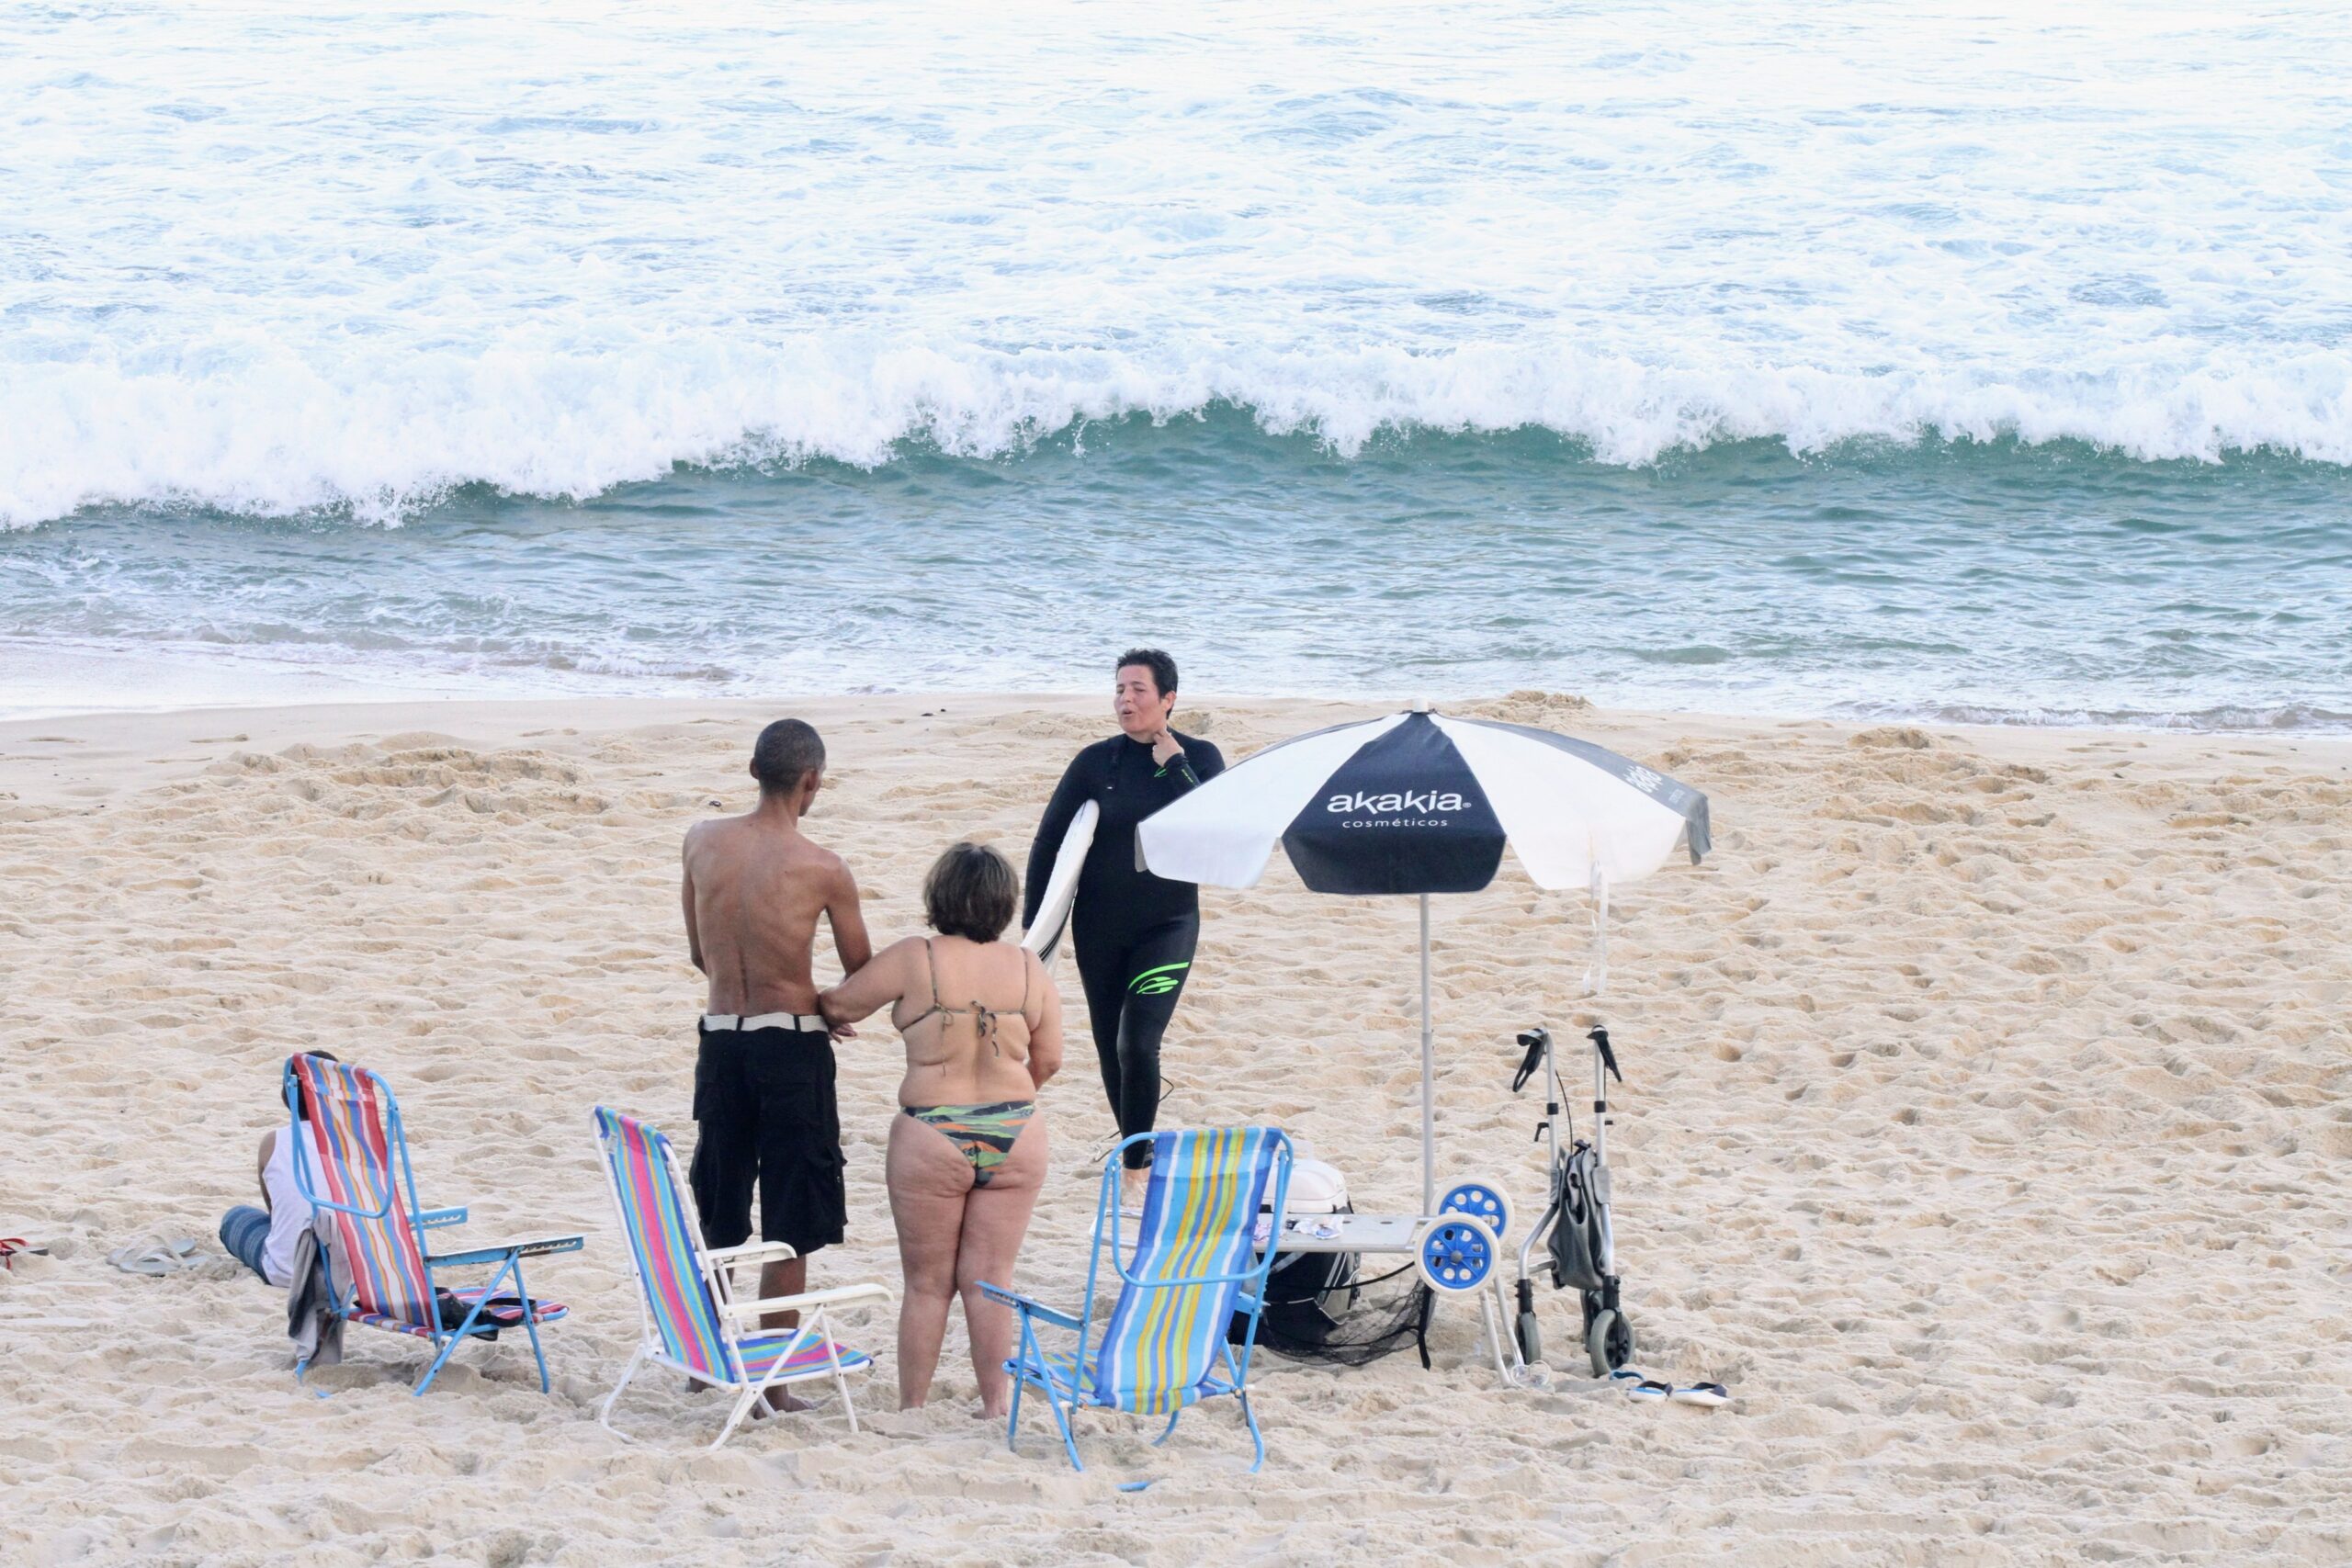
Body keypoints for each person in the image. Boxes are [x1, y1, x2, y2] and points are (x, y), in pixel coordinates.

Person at [820, 841, 1061, 1416]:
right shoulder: (1029, 966)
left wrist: (828, 1014)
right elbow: (1049, 1059)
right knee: (991, 1279)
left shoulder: (915, 957)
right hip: (1017, 1130)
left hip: (932, 1130)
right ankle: (995, 1406)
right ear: (1005, 903)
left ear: (939, 896)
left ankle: (914, 1407)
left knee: (928, 1284)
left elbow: (842, 1004)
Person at [681, 718, 872, 1409]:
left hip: (721, 1037)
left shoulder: (701, 841)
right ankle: (775, 1380)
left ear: (751, 767)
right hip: (790, 1044)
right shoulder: (824, 867)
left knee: (720, 1204)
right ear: (811, 781)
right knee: (791, 1215)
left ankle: (702, 1362)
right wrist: (828, 1008)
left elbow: (700, 951)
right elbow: (859, 979)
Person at [1022, 648, 1224, 1210]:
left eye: (1138, 690)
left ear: (1168, 700)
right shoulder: (1095, 763)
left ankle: (1135, 1168)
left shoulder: (1200, 759)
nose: (1125, 700)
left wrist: (1174, 762)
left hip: (1168, 923)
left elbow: (1214, 828)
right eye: (1119, 689)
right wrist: (1034, 930)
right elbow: (1047, 844)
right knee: (1111, 1048)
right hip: (1098, 929)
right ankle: (1138, 1148)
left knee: (1138, 1042)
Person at [218, 1050, 336, 1288]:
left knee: (235, 1218)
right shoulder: (363, 1144)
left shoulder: (273, 1143)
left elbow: (274, 1212)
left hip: (290, 1272)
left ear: (287, 1096)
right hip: (361, 1272)